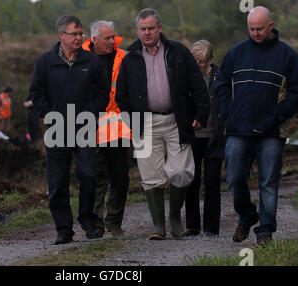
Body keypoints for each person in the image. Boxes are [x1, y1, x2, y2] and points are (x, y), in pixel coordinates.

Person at [215, 6, 298, 245]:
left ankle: (265, 230)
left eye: (259, 28)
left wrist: (278, 115)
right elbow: (222, 85)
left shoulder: (288, 56)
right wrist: (228, 111)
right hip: (238, 128)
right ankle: (247, 215)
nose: (255, 33)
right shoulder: (236, 53)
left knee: (268, 181)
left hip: (271, 131)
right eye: (251, 29)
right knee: (234, 177)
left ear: (271, 25)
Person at [116, 8, 210, 240]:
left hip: (177, 120)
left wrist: (200, 112)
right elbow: (121, 95)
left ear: (159, 28)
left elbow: (197, 84)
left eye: (150, 28)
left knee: (181, 171)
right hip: (145, 123)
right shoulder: (129, 58)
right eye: (142, 29)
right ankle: (159, 226)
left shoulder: (178, 52)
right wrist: (131, 120)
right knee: (151, 175)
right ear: (137, 30)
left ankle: (175, 218)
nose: (147, 33)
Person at [29, 15, 110, 245]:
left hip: (85, 125)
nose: (79, 38)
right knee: (57, 182)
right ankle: (63, 229)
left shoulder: (92, 61)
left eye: (81, 33)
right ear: (61, 35)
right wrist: (48, 113)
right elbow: (36, 94)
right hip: (56, 128)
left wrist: (92, 112)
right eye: (74, 34)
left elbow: (103, 93)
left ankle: (88, 220)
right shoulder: (44, 63)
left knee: (88, 174)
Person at [82, 20, 132, 238]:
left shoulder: (125, 57)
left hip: (120, 126)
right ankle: (96, 223)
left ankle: (114, 222)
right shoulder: (80, 58)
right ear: (94, 40)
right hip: (91, 125)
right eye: (108, 38)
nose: (113, 41)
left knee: (120, 178)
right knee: (95, 177)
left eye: (113, 37)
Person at [184, 40, 225, 238]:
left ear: (209, 60)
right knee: (191, 182)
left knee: (212, 182)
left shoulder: (221, 77)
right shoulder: (187, 77)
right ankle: (192, 226)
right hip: (193, 136)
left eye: (202, 61)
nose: (198, 65)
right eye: (195, 61)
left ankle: (211, 228)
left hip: (215, 136)